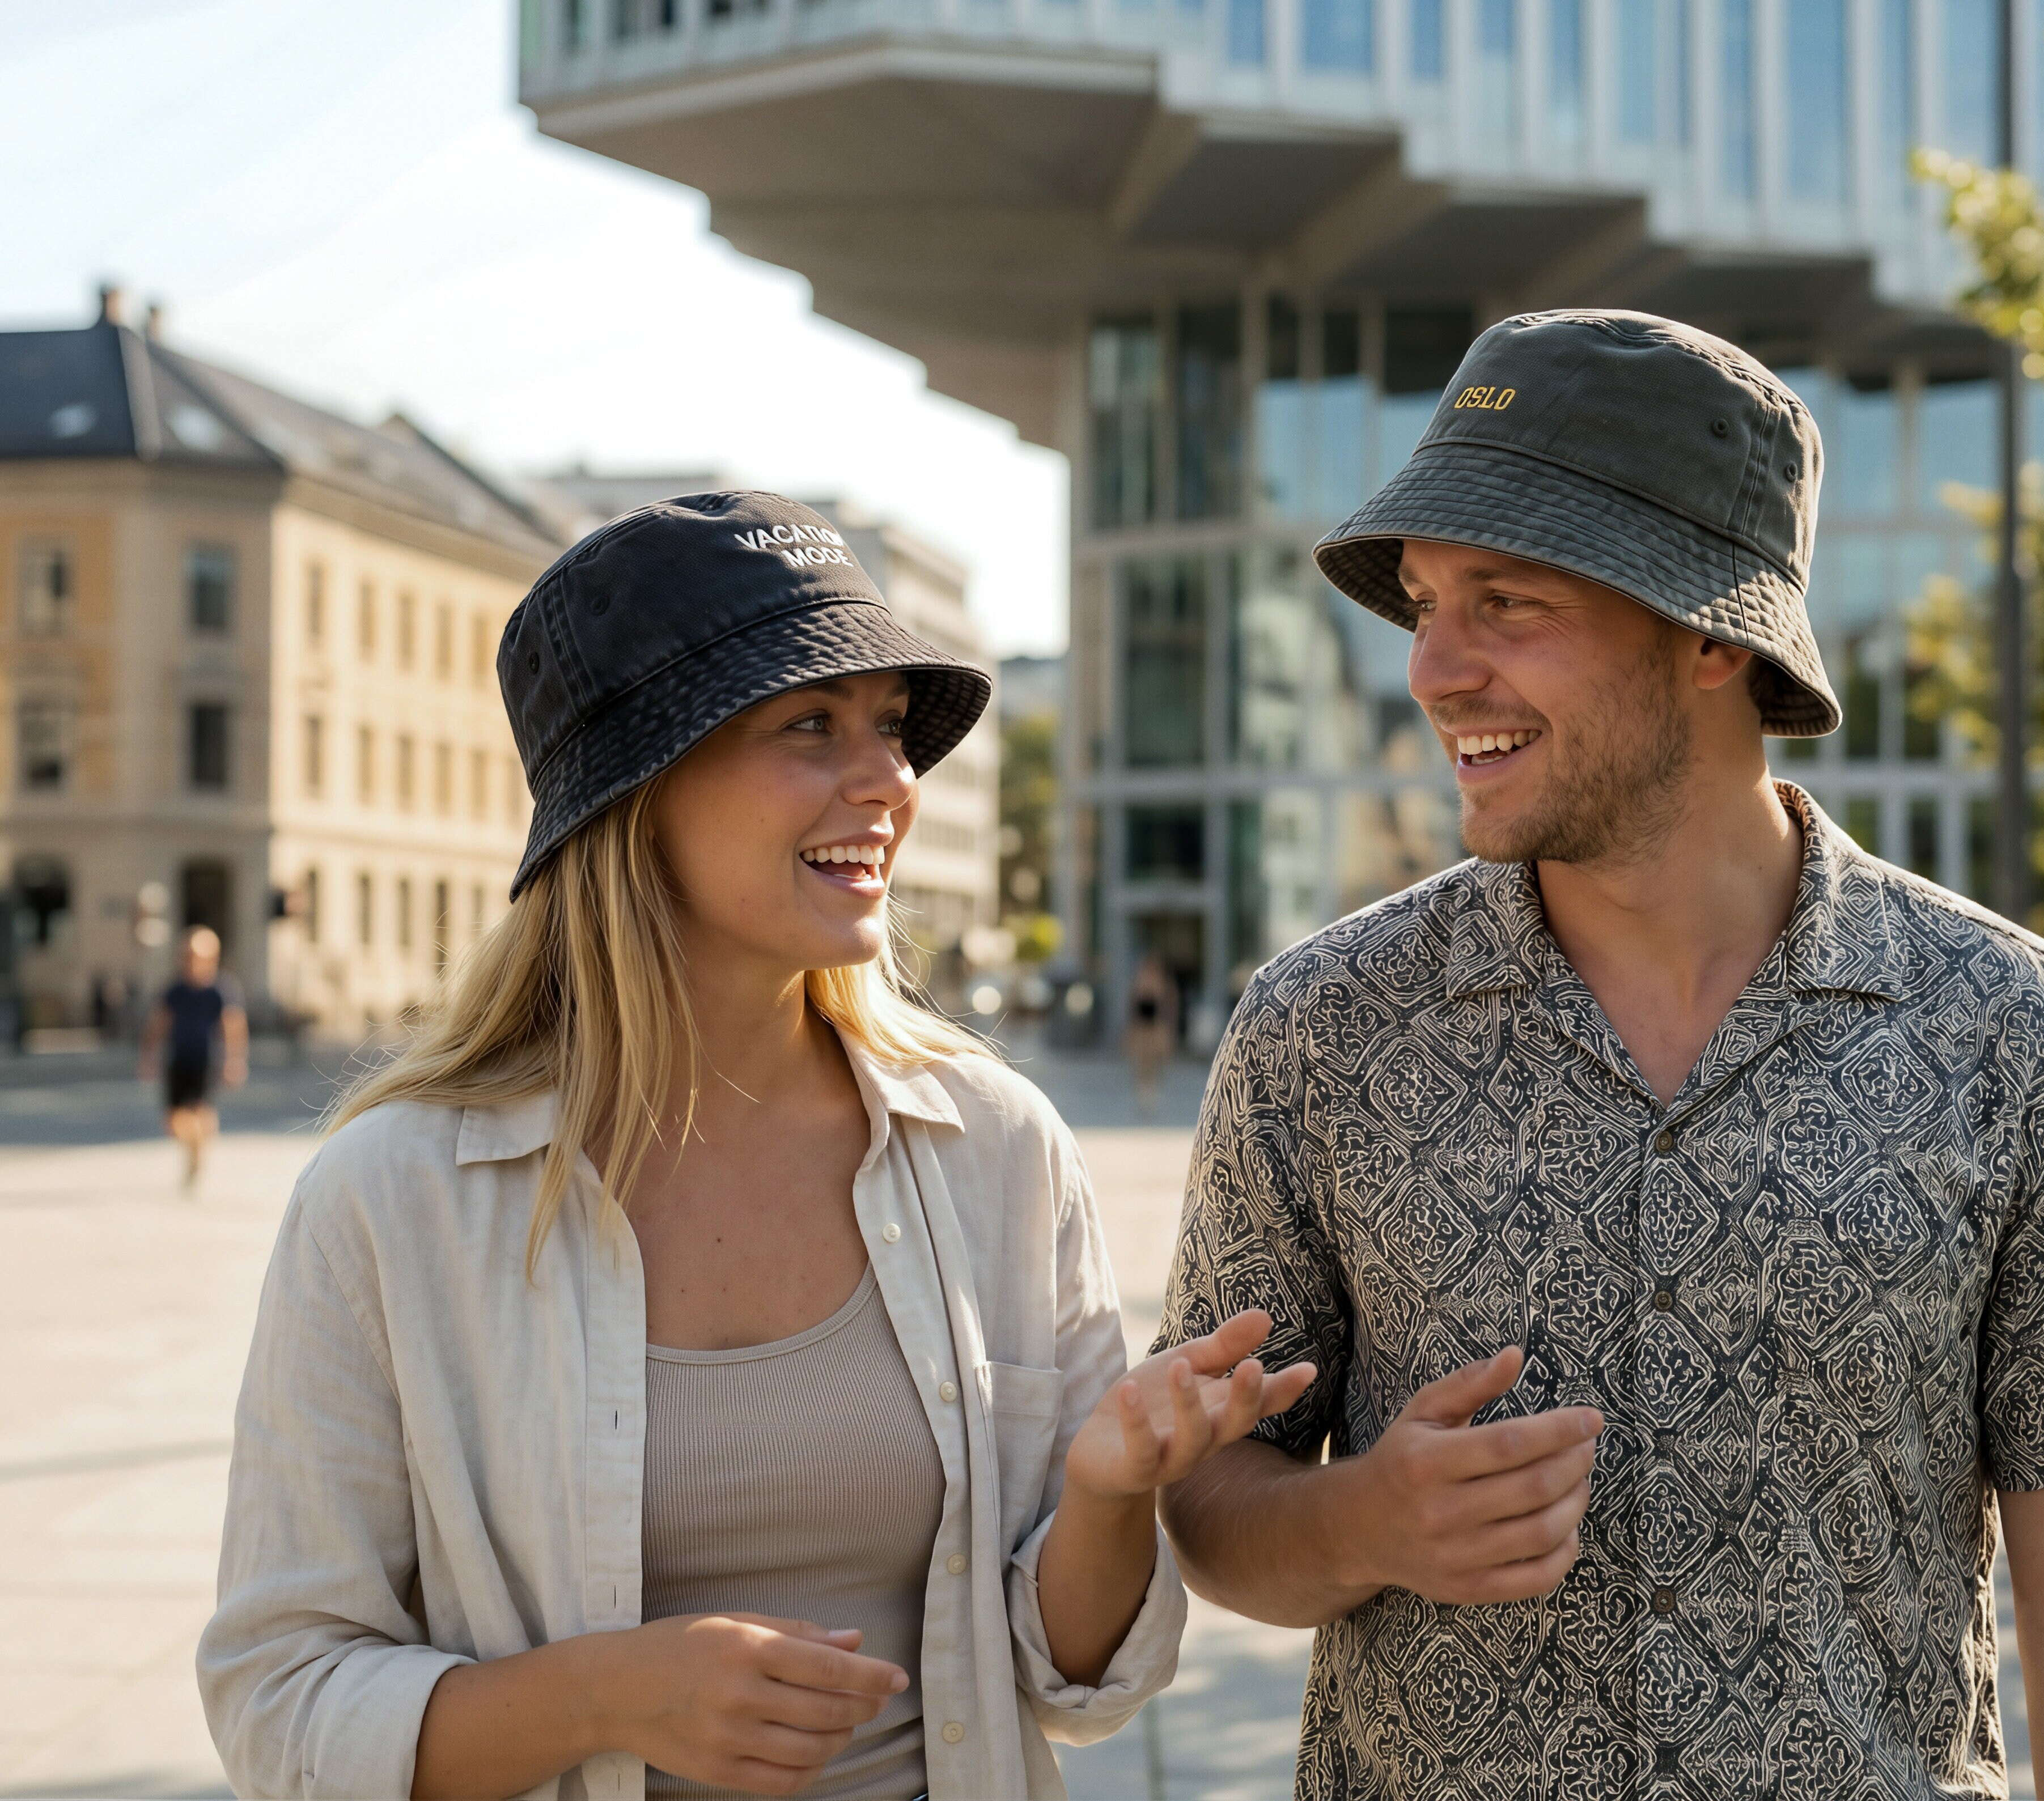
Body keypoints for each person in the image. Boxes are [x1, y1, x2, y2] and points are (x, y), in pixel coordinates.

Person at [1155, 313, 2044, 1799]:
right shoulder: (1316, 1029)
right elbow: (1205, 1493)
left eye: (1504, 603)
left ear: (1709, 630)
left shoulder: (2015, 1034)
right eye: (1422, 604)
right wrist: (1360, 1527)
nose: (1431, 669)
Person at [199, 494, 1314, 1801]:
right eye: (810, 726)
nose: (890, 781)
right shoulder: (392, 1200)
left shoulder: (996, 1149)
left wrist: (1108, 1489)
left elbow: (1075, 1683)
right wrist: (607, 1695)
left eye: (892, 728)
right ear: (636, 787)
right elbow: (279, 1700)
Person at [138, 927, 247, 1188]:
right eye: (186, 955)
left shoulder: (221, 989)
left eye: (196, 956)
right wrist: (149, 1057)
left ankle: (198, 1154)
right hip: (179, 1060)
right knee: (174, 1121)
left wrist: (235, 1060)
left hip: (206, 1061)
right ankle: (198, 1143)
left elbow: (233, 1026)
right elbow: (158, 1024)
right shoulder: (175, 990)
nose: (190, 961)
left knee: (201, 1111)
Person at [1124, 955, 1176, 1117]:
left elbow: (1168, 1007)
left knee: (1155, 1064)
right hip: (1142, 1030)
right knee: (1142, 1063)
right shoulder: (1138, 984)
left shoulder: (1163, 985)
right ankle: (1144, 1095)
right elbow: (1133, 1009)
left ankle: (1152, 1095)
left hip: (1155, 1029)